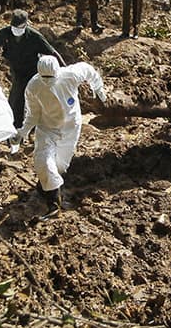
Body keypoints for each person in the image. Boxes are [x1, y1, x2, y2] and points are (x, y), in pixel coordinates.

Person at [15, 55, 106, 219]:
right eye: (45, 78)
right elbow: (33, 114)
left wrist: (98, 87)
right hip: (47, 128)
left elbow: (89, 70)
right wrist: (23, 131)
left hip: (70, 127)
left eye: (52, 77)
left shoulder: (70, 74)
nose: (49, 81)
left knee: (60, 165)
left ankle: (45, 188)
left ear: (58, 72)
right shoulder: (33, 87)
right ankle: (54, 204)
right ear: (39, 74)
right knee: (42, 160)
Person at [0, 9, 65, 128]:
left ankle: (32, 126)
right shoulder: (5, 33)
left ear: (26, 25)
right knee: (16, 99)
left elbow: (52, 52)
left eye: (20, 27)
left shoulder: (35, 37)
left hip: (32, 71)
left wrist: (65, 69)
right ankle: (14, 126)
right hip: (16, 70)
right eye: (14, 26)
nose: (17, 29)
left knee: (31, 98)